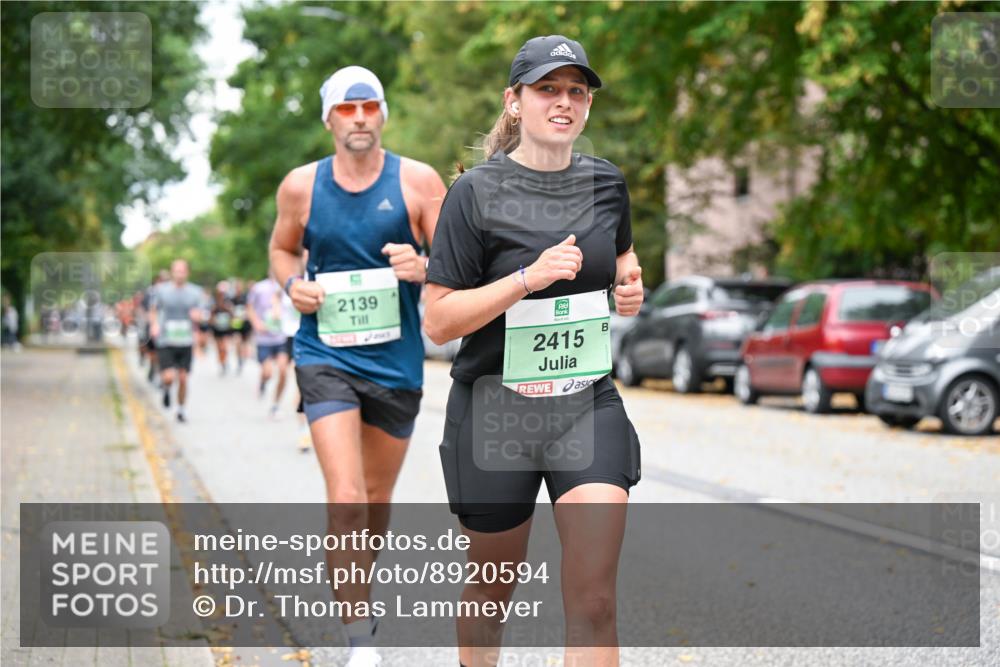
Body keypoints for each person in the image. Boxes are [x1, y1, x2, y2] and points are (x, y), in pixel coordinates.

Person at [423, 36, 645, 667]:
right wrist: (527, 278)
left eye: (577, 91)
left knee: (594, 600)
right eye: (548, 88)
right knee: (494, 592)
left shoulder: (606, 183)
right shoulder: (475, 194)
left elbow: (622, 254)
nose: (565, 102)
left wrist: (628, 285)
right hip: (496, 411)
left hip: (585, 404)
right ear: (514, 101)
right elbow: (438, 321)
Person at [269, 65, 446, 667]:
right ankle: (357, 636)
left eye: (369, 107)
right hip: (325, 356)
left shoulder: (418, 182)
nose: (360, 118)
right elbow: (281, 248)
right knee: (345, 497)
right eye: (347, 109)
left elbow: (456, 260)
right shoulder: (300, 186)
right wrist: (293, 283)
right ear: (329, 119)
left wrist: (424, 267)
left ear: (383, 114)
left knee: (374, 499)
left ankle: (357, 590)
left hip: (396, 364)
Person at [149, 259, 203, 423]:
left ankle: (180, 409)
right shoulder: (161, 291)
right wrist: (154, 325)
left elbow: (201, 313)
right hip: (166, 339)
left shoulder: (195, 292)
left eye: (182, 271)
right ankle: (166, 389)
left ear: (187, 273)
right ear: (172, 272)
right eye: (176, 271)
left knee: (184, 378)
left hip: (185, 340)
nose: (179, 274)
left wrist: (197, 317)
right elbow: (153, 310)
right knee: (168, 377)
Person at [247, 272, 289, 416]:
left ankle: (276, 404)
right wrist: (256, 323)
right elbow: (250, 307)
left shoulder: (287, 286)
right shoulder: (259, 288)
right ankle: (263, 382)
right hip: (264, 338)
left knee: (283, 370)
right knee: (268, 373)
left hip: (281, 338)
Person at [210, 281, 235, 375]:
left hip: (226, 328)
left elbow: (232, 314)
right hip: (217, 328)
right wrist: (213, 320)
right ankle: (222, 362)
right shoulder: (214, 301)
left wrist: (227, 309)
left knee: (224, 347)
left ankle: (224, 360)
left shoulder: (228, 301)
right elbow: (211, 316)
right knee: (219, 348)